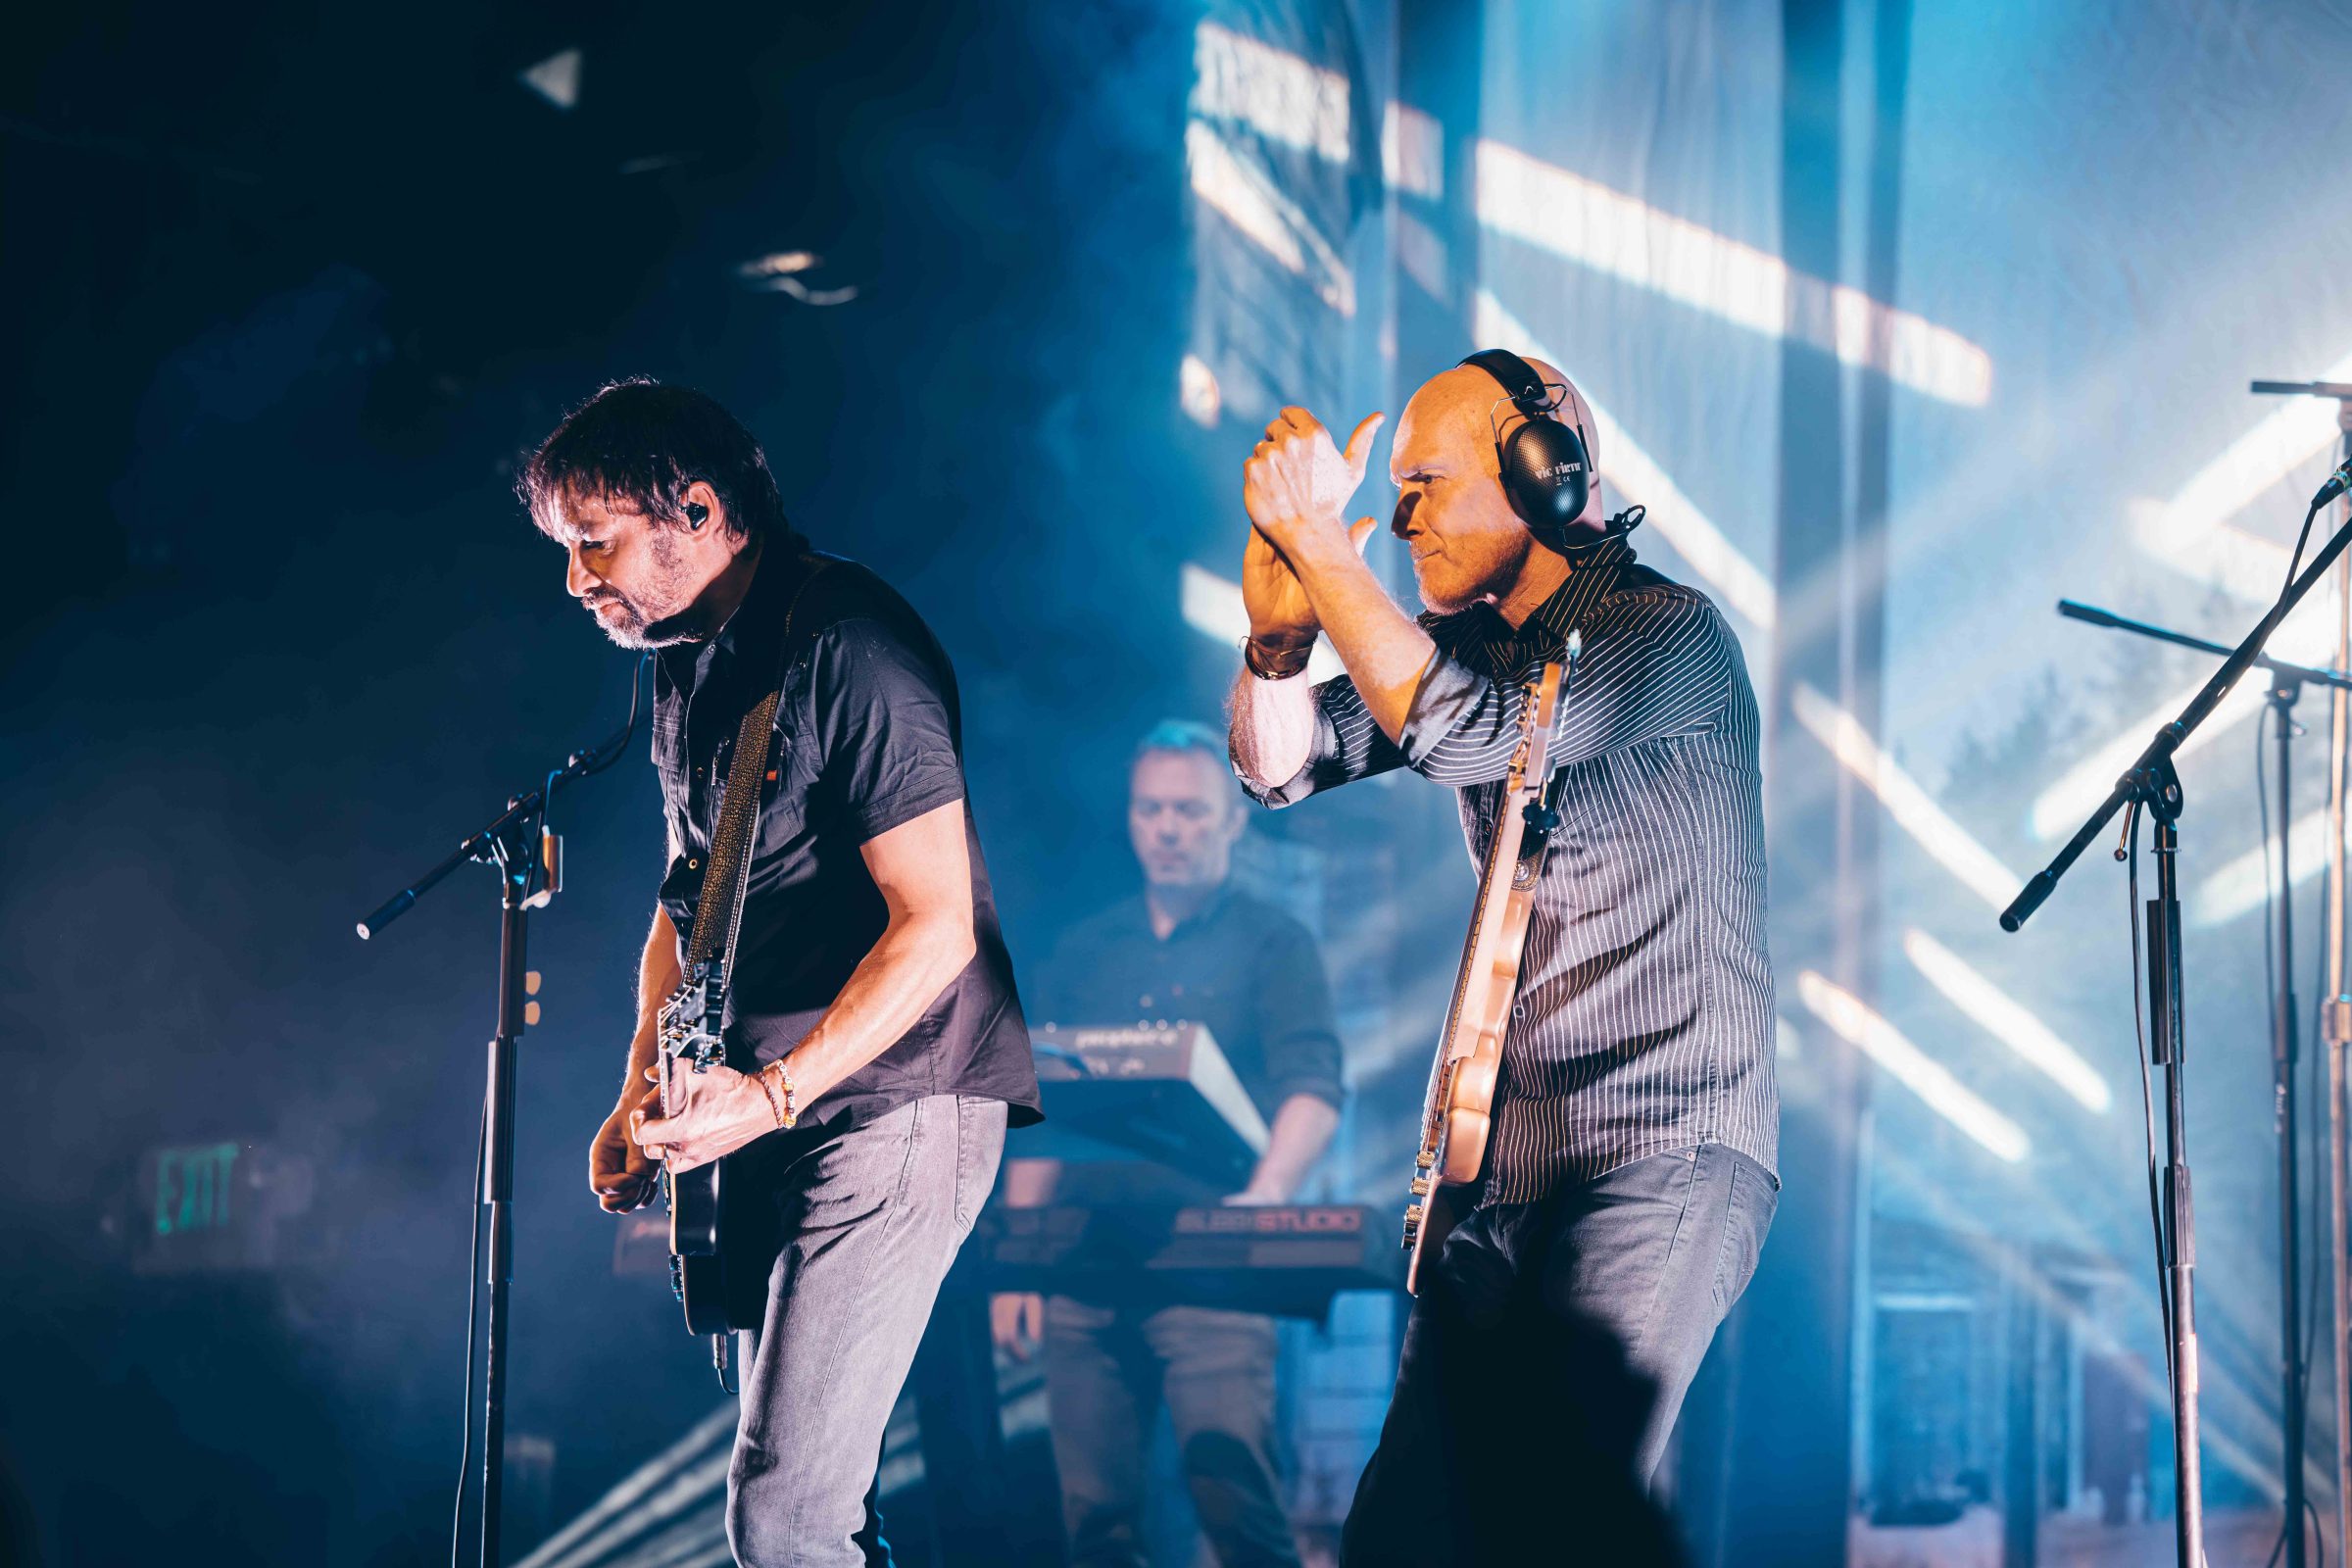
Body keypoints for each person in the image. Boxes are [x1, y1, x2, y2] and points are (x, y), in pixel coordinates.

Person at [1226, 353, 1779, 1564]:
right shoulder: (1462, 643)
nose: (1406, 508)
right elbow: (1277, 764)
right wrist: (1276, 644)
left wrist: (1324, 545)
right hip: (1503, 1182)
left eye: (1429, 478)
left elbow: (1454, 730)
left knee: (1549, 1524)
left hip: (1660, 1150)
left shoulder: (1668, 634)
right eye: (1401, 488)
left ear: (1545, 474)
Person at [520, 378, 1041, 1568]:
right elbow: (684, 909)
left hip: (896, 1098)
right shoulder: (686, 666)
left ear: (698, 511)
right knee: (812, 1512)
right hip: (772, 1105)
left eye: (594, 542)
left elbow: (936, 925)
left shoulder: (850, 644)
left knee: (784, 1512)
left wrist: (767, 1095)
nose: (574, 579)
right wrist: (636, 1087)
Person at [993, 719, 1346, 1568]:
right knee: (1096, 1522)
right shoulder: (1085, 950)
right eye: (1152, 810)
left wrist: (1263, 1204)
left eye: (1189, 811)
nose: (1169, 828)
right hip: (1084, 1270)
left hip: (1213, 1274)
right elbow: (1046, 1113)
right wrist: (1019, 1263)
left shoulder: (1275, 943)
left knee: (1236, 1508)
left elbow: (1315, 1089)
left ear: (1231, 820)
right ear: (1131, 817)